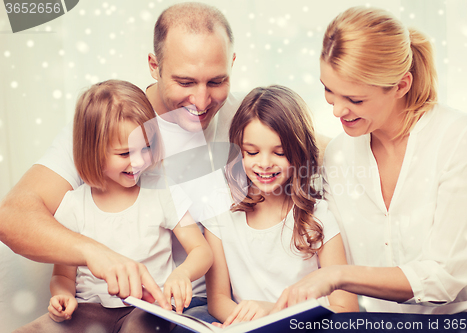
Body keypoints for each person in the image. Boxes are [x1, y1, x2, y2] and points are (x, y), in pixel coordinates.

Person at [0, 1, 240, 321]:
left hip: (182, 306)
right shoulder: (109, 124)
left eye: (216, 81)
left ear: (232, 65)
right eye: (184, 82)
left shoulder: (243, 117)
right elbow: (12, 219)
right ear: (154, 65)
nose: (201, 100)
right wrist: (95, 253)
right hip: (99, 307)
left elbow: (309, 145)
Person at [273, 6, 467, 319]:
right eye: (329, 90)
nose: (337, 110)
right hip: (382, 321)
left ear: (401, 86)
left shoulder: (463, 140)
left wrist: (336, 275)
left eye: (355, 100)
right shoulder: (339, 154)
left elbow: (443, 280)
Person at [13, 80, 213, 333]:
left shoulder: (163, 191)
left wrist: (182, 274)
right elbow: (63, 275)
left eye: (147, 148)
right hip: (88, 309)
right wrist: (62, 297)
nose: (139, 161)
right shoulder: (74, 205)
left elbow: (201, 250)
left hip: (149, 309)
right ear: (93, 151)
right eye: (124, 153)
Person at [202, 85, 359, 327]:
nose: (264, 164)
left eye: (280, 152)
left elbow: (345, 309)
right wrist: (240, 324)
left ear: (298, 152)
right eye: (252, 152)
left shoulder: (318, 216)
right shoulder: (221, 209)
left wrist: (274, 314)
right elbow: (218, 299)